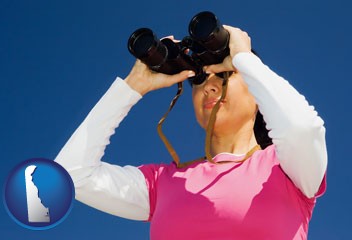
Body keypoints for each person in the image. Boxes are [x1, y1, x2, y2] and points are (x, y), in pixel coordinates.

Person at [55, 25, 327, 239]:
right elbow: (70, 175)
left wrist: (244, 59)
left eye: (224, 75)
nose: (208, 87)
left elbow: (303, 129)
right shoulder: (164, 183)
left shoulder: (287, 168)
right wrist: (132, 86)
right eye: (198, 80)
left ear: (258, 93)